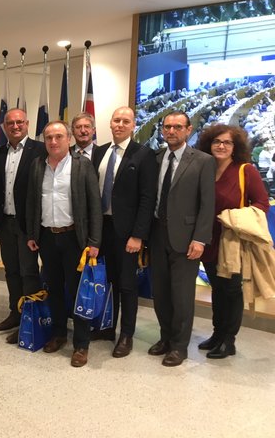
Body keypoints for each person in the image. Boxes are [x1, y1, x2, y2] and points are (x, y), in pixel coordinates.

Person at [25, 121, 102, 367]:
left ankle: (81, 344)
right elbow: (31, 202)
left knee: (77, 291)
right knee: (54, 288)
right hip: (47, 238)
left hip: (75, 240)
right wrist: (32, 234)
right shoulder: (38, 165)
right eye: (49, 137)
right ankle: (58, 333)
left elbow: (94, 206)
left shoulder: (82, 166)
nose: (53, 141)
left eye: (58, 136)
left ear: (68, 138)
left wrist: (94, 241)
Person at [148, 111, 215, 366]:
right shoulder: (154, 158)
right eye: (167, 127)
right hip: (157, 234)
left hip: (186, 238)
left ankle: (179, 346)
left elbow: (207, 204)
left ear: (188, 130)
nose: (171, 131)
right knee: (161, 293)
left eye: (177, 127)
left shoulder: (202, 161)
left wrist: (200, 239)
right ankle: (165, 337)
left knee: (182, 295)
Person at [197, 125, 269, 358]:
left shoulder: (245, 170)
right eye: (217, 141)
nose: (221, 146)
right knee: (217, 288)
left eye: (227, 142)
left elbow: (261, 203)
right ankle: (217, 334)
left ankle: (229, 340)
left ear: (235, 147)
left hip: (232, 240)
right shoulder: (205, 168)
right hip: (208, 239)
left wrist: (234, 218)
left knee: (231, 290)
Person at [92, 106, 157, 356]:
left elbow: (147, 198)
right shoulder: (100, 152)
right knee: (106, 282)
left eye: (125, 121)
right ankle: (107, 327)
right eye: (116, 120)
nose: (120, 124)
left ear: (133, 125)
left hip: (127, 234)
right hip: (102, 230)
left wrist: (138, 235)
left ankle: (126, 334)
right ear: (110, 123)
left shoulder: (143, 155)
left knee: (127, 286)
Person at [0, 108, 46, 343]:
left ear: (27, 124)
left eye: (19, 122)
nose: (15, 126)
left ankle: (31, 317)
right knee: (11, 270)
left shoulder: (40, 151)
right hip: (4, 224)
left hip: (28, 225)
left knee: (28, 271)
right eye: (10, 123)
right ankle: (15, 311)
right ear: (4, 127)